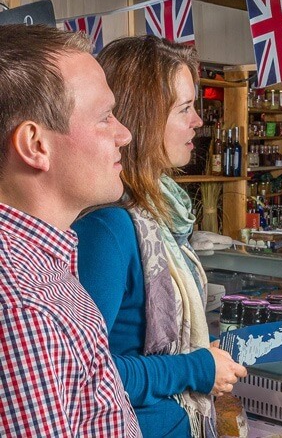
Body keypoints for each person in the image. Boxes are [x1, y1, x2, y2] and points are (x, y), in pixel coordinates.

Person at [72, 36, 247, 437]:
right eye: (185, 109)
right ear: (143, 118)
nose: (198, 121)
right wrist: (196, 368)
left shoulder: (159, 215)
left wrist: (201, 358)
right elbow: (86, 373)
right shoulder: (109, 228)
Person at [0, 24, 140, 436]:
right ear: (35, 146)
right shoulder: (23, 310)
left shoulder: (44, 264)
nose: (124, 134)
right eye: (104, 117)